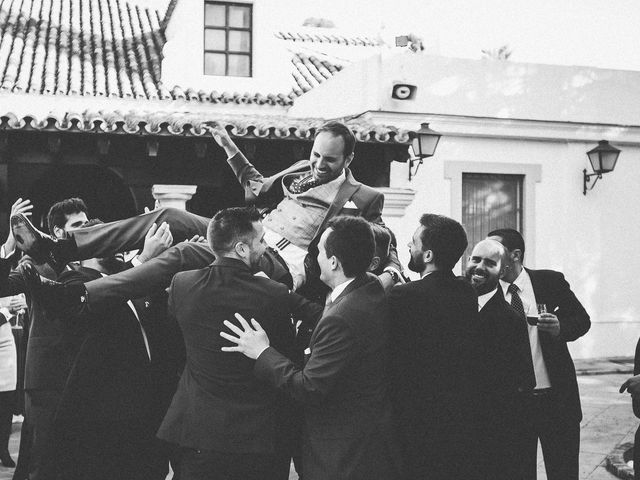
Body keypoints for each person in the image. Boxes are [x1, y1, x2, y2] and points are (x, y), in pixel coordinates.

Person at [9, 121, 402, 302]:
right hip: (252, 233)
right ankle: (59, 248)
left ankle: (78, 295)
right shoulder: (301, 170)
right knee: (170, 217)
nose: (318, 165)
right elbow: (258, 189)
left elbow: (384, 240)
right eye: (315, 154)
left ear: (348, 158)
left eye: (329, 160)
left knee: (185, 253)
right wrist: (230, 149)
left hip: (284, 262)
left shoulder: (363, 196)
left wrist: (391, 272)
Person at [0, 198, 172, 480]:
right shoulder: (39, 260)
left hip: (89, 380)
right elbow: (6, 284)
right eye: (78, 226)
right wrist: (10, 245)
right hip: (51, 376)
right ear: (59, 233)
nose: (91, 235)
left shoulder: (110, 270)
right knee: (45, 462)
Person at [221, 216, 398, 480]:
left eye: (319, 252)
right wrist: (278, 292)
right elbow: (327, 312)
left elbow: (309, 387)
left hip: (341, 454)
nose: (314, 256)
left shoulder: (342, 318)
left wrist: (263, 352)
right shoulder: (368, 285)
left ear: (334, 262)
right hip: (368, 438)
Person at [156, 207, 322, 480]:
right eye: (262, 241)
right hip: (256, 438)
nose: (266, 247)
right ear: (242, 249)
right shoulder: (274, 294)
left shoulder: (181, 284)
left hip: (197, 433)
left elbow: (173, 345)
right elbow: (314, 326)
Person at [488, 228, 590, 480]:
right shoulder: (483, 291)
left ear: (515, 255)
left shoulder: (550, 281)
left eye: (495, 252)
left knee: (564, 472)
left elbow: (582, 320)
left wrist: (560, 328)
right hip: (513, 405)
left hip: (556, 401)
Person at [388, 213, 481, 480]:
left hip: (415, 416)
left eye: (414, 242)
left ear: (427, 255)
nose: (409, 246)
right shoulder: (466, 292)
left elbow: (394, 356)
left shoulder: (404, 295)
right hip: (458, 414)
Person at [465, 238, 536, 479]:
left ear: (503, 270)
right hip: (450, 428)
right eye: (475, 259)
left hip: (490, 432)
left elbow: (525, 378)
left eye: (489, 262)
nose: (479, 267)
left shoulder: (511, 320)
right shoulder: (449, 303)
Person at [0, 305, 17, 468]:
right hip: (3, 319)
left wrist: (18, 306)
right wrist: (7, 311)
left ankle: (3, 449)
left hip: (4, 341)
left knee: (6, 401)